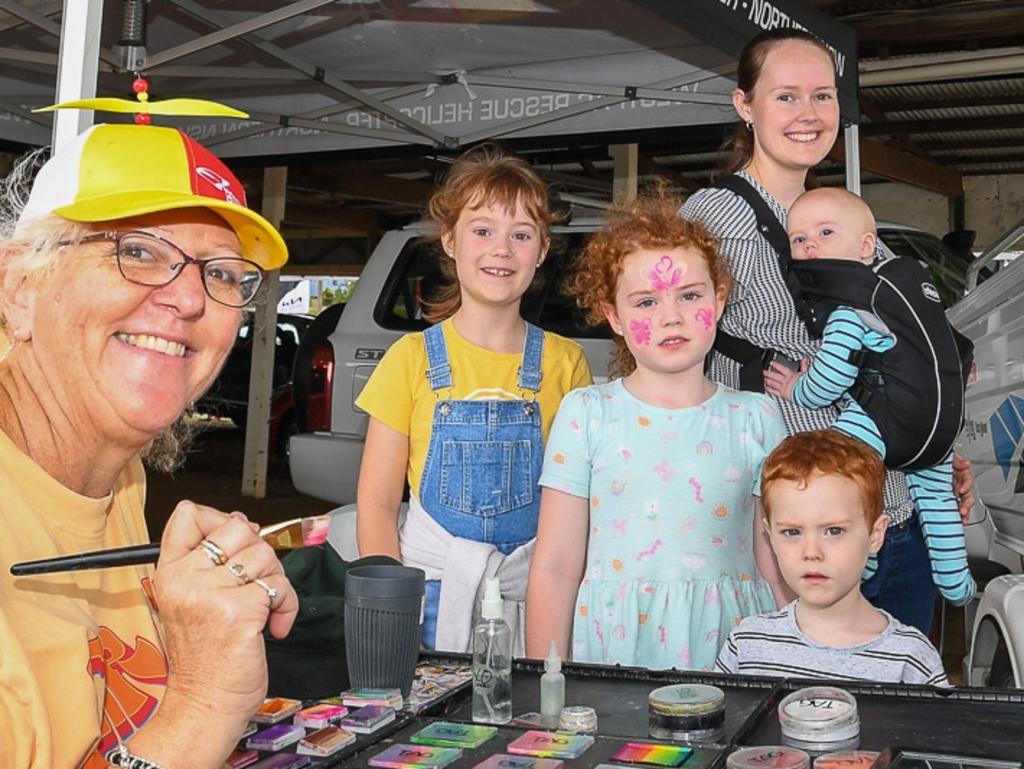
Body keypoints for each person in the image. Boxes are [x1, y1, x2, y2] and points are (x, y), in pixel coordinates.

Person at [0, 123, 299, 769]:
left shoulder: (116, 473)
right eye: (137, 251)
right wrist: (204, 699)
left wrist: (191, 621)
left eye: (221, 272)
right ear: (21, 288)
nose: (190, 297)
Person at [680, 28, 975, 634]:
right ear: (745, 106)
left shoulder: (846, 219)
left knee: (898, 715)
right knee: (806, 718)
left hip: (895, 515)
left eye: (823, 96)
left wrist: (933, 440)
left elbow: (902, 354)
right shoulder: (713, 219)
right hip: (804, 538)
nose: (809, 115)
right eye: (785, 96)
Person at [524, 193, 789, 670]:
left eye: (690, 295)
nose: (671, 316)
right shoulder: (586, 413)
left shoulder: (757, 417)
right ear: (614, 318)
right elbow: (556, 566)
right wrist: (547, 684)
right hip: (615, 650)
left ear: (719, 300)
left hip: (732, 649)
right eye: (646, 301)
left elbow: (772, 561)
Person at [355, 145, 592, 653]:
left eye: (521, 235)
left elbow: (577, 510)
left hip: (533, 601)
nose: (501, 249)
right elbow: (376, 504)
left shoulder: (565, 362)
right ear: (450, 241)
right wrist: (391, 612)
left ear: (542, 250)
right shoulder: (409, 357)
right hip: (430, 598)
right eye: (482, 230)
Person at [764, 187, 975, 607]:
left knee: (840, 476)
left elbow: (831, 380)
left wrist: (794, 387)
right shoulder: (907, 298)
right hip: (939, 429)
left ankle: (865, 562)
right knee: (936, 500)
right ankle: (957, 583)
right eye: (799, 239)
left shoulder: (851, 308)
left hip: (883, 424)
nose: (810, 245)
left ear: (866, 247)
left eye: (825, 233)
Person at [715, 430, 949, 686]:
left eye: (834, 531)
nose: (812, 552)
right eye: (792, 532)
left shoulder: (911, 659)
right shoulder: (747, 646)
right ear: (770, 536)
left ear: (875, 534)